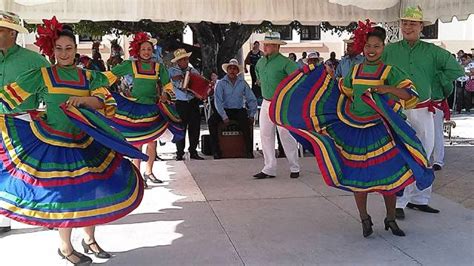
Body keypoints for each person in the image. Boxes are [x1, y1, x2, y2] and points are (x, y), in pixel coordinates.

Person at [0, 17, 144, 265]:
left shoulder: (88, 76)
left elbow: (106, 103)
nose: (64, 53)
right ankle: (65, 247)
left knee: (91, 192)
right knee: (65, 197)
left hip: (86, 141)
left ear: (76, 50)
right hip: (53, 143)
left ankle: (90, 239)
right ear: (51, 50)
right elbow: (8, 98)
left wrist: (85, 101)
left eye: (68, 48)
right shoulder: (42, 75)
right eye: (59, 48)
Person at [270, 24, 434, 238]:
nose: (372, 50)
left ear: (383, 47)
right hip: (355, 129)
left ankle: (390, 218)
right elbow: (343, 91)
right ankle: (365, 219)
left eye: (376, 46)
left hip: (382, 128)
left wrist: (385, 89)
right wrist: (325, 77)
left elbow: (409, 94)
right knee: (358, 176)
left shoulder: (390, 71)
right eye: (368, 46)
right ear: (362, 47)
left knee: (388, 176)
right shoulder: (355, 70)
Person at [382, 6, 464, 219]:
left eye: (412, 23)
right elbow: (376, 71)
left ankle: (419, 199)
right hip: (397, 111)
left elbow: (457, 70)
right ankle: (399, 202)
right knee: (401, 154)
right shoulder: (390, 50)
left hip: (423, 109)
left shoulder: (433, 52)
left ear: (421, 27)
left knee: (424, 153)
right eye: (405, 23)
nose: (407, 27)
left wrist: (436, 83)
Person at [103, 32, 182, 187]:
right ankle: (138, 176)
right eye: (143, 49)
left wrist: (166, 94)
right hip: (136, 109)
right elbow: (111, 75)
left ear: (152, 51)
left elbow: (167, 84)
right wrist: (93, 81)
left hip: (152, 108)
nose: (146, 52)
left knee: (152, 143)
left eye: (149, 49)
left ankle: (149, 172)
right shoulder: (130, 65)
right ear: (138, 51)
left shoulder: (159, 67)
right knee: (138, 143)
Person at [0, 11, 50, 234]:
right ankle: (3, 219)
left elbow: (51, 90)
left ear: (12, 33)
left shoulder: (34, 60)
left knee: (32, 170)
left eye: (0, 30)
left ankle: (46, 213)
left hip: (23, 123)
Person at [253, 32, 300, 179]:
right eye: (265, 44)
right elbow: (257, 74)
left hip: (282, 103)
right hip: (266, 101)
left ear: (277, 46)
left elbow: (298, 80)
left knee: (285, 134)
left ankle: (294, 166)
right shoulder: (260, 62)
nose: (265, 47)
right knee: (265, 135)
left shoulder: (287, 63)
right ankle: (269, 168)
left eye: (268, 44)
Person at [208, 59, 257, 159]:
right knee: (211, 122)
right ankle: (216, 151)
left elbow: (251, 99)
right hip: (224, 110)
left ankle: (248, 151)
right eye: (230, 68)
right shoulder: (221, 83)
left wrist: (252, 114)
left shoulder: (243, 83)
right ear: (227, 70)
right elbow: (218, 101)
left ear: (237, 71)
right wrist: (223, 116)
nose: (232, 71)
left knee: (246, 123)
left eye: (234, 69)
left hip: (238, 110)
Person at [168, 48, 205, 161]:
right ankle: (179, 152)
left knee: (195, 127)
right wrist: (174, 79)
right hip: (179, 103)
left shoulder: (193, 71)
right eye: (182, 59)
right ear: (177, 61)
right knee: (180, 128)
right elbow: (166, 83)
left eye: (186, 59)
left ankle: (193, 151)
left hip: (192, 101)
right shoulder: (171, 71)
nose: (185, 61)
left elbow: (200, 85)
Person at [431, 79, 453, 171]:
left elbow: (448, 88)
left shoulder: (438, 71)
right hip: (418, 104)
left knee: (437, 133)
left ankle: (438, 161)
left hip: (436, 104)